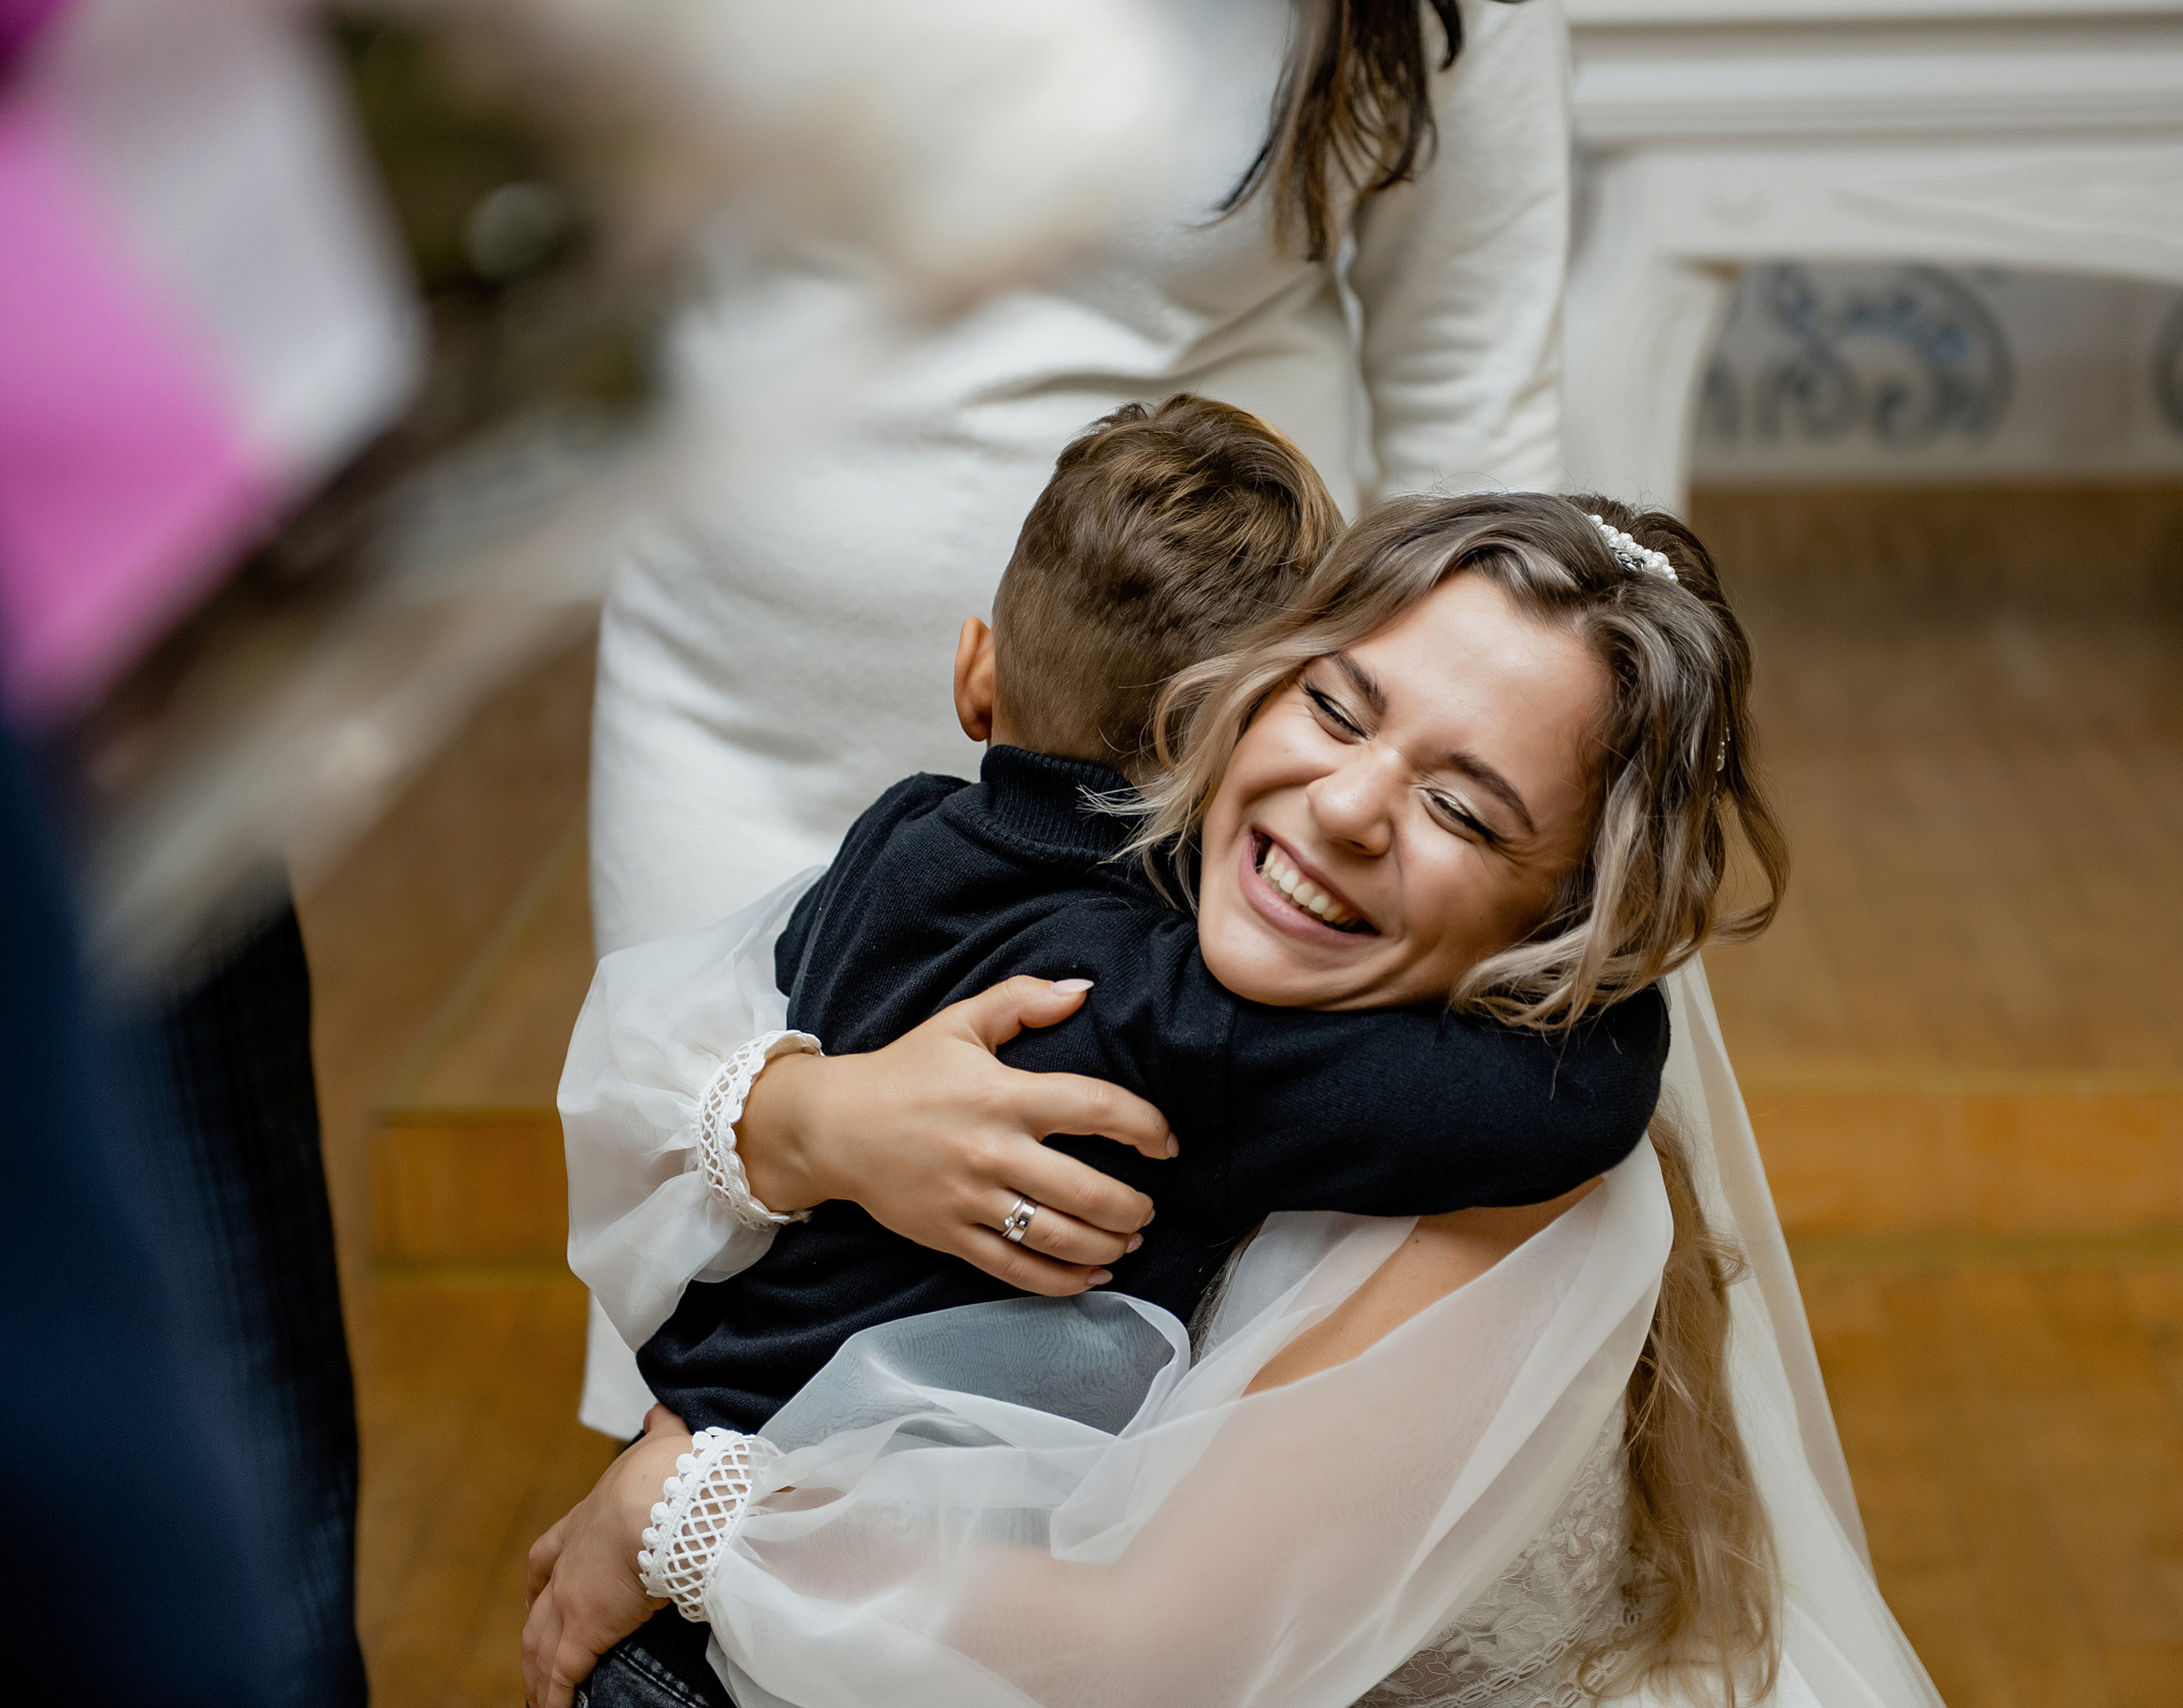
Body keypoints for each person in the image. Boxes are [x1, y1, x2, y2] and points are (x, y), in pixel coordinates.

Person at [530, 495, 1941, 1707]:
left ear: (1573, 917)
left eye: (1464, 809)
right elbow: (651, 1055)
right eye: (1336, 707)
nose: (1346, 806)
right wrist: (811, 1121)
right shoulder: (1130, 898)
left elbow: (1152, 1650)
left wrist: (688, 1514)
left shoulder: (1499, 1158)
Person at [580, 0, 1579, 1437]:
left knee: (1130, 1415)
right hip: (723, 712)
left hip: (1218, 818)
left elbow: (1472, 397)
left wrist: (1513, 852)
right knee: (712, 1231)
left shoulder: (966, 870)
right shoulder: (1139, 998)